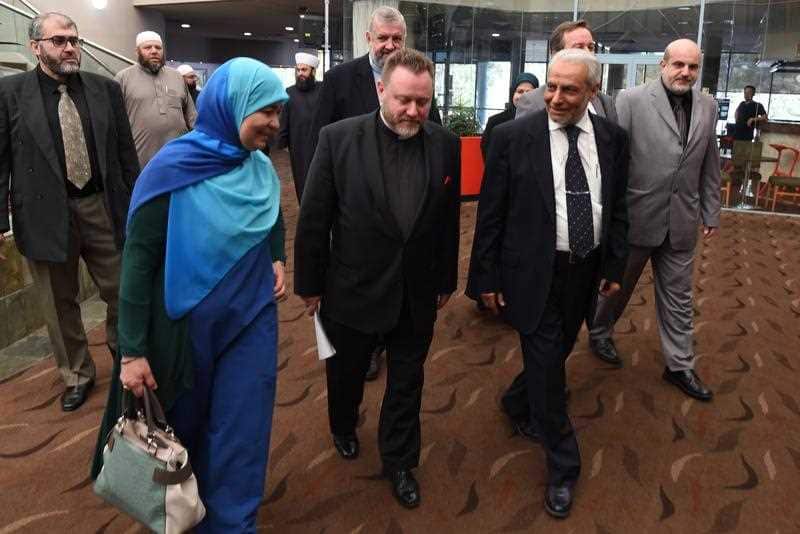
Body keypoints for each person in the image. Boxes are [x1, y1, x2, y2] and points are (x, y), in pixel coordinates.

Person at [91, 58, 288, 533]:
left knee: (243, 432)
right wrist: (132, 351)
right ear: (231, 105)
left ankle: (234, 524)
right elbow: (136, 266)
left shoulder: (258, 168)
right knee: (188, 430)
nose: (275, 124)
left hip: (251, 320)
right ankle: (187, 516)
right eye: (265, 111)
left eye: (279, 112)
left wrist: (277, 255)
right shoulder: (172, 170)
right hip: (182, 330)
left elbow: (272, 215)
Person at [294, 48, 460, 509]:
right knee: (345, 374)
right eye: (404, 100)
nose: (413, 112)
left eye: (423, 103)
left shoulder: (445, 144)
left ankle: (400, 461)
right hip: (351, 287)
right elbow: (314, 218)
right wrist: (310, 284)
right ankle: (343, 425)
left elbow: (447, 220)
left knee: (408, 380)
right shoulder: (337, 138)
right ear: (380, 89)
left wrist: (446, 277)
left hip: (417, 289)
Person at [467, 49, 629, 518]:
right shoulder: (513, 137)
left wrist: (614, 268)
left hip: (585, 268)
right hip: (531, 271)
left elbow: (616, 208)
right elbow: (490, 214)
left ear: (592, 93)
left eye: (569, 90)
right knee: (548, 367)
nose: (555, 98)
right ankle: (563, 466)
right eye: (550, 87)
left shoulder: (613, 138)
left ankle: (515, 400)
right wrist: (485, 277)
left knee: (556, 351)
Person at [0, 12, 139, 412]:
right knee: (59, 303)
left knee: (123, 291)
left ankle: (125, 355)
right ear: (35, 47)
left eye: (74, 40)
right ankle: (77, 374)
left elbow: (126, 154)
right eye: (59, 40)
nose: (69, 48)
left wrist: (138, 203)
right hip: (43, 213)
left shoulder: (104, 89)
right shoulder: (11, 93)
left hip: (101, 207)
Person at [310, 5, 441, 380]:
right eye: (382, 38)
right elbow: (319, 143)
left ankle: (385, 338)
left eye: (396, 38)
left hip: (404, 199)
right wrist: (316, 200)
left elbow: (434, 132)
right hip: (351, 203)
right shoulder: (340, 79)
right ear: (368, 38)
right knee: (357, 285)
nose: (389, 45)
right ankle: (365, 346)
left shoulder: (418, 78)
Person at [588, 39, 721, 401]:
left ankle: (679, 365)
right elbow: (614, 163)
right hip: (635, 218)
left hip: (682, 220)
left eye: (692, 67)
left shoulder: (708, 105)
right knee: (617, 287)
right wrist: (609, 216)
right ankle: (599, 332)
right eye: (678, 64)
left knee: (679, 296)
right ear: (663, 64)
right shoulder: (630, 100)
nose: (685, 73)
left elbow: (709, 163)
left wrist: (710, 210)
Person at [115, 31, 197, 168]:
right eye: (147, 48)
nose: (154, 51)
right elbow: (115, 124)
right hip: (141, 162)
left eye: (158, 48)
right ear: (137, 52)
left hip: (179, 158)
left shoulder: (177, 77)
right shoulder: (123, 79)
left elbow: (192, 117)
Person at [515, 20, 617, 124]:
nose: (588, 53)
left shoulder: (605, 102)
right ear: (556, 54)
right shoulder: (532, 102)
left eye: (591, 47)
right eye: (579, 47)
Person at [276, 52, 322, 202]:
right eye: (298, 70)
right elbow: (284, 121)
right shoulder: (289, 93)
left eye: (304, 70)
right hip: (298, 149)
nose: (300, 73)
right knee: (302, 186)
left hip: (320, 147)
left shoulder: (323, 90)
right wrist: (282, 143)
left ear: (313, 71)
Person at [480, 72, 539, 159]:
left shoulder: (543, 122)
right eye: (520, 91)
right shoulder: (495, 122)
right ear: (512, 94)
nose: (524, 96)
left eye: (529, 92)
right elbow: (488, 154)